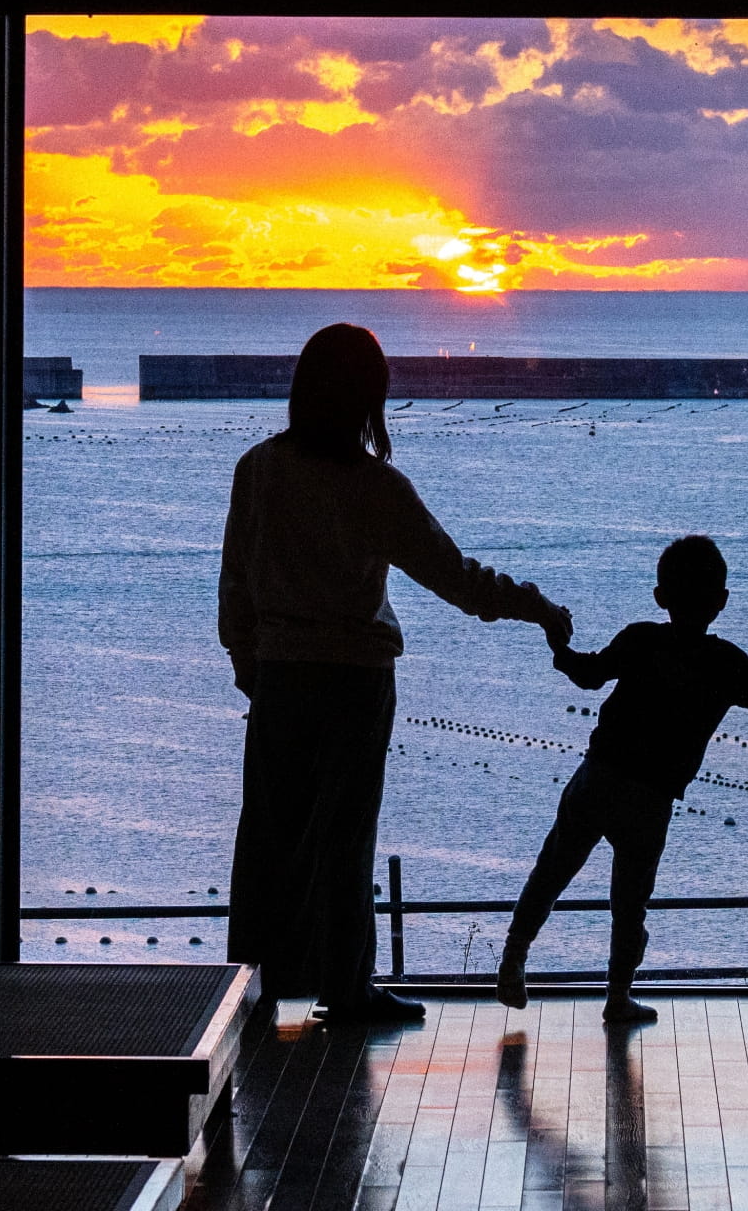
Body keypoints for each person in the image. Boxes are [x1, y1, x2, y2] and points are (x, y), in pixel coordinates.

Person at [220, 323, 569, 1024]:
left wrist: (249, 666)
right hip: (354, 683)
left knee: (268, 840)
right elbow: (459, 578)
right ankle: (346, 990)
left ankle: (254, 992)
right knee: (346, 841)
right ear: (369, 400)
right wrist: (536, 606)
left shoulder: (259, 469)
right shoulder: (376, 487)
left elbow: (236, 589)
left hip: (282, 677)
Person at [495, 536, 748, 1024]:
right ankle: (617, 997)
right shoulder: (726, 663)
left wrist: (558, 644)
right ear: (721, 600)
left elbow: (587, 674)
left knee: (552, 871)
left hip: (598, 775)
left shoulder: (639, 638)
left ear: (660, 596)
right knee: (630, 903)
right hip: (651, 797)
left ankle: (514, 955)